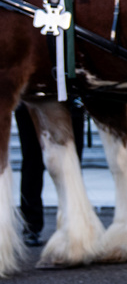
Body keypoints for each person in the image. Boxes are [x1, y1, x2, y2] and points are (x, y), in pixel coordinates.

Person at [16, 99, 86, 246]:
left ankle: (74, 218)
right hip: (32, 100)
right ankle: (31, 225)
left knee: (72, 162)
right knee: (32, 161)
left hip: (68, 98)